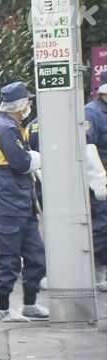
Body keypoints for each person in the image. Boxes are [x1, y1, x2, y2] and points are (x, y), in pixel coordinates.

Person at [0, 82, 48, 321]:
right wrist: (36, 158)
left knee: (36, 256)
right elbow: (21, 163)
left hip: (21, 200)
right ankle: (2, 309)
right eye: (27, 101)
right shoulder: (5, 128)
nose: (29, 105)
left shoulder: (12, 125)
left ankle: (29, 304)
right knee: (9, 259)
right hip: (8, 202)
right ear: (19, 104)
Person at [85, 70, 107, 292]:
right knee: (101, 226)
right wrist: (99, 180)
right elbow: (88, 149)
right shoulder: (91, 113)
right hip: (101, 177)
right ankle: (99, 273)